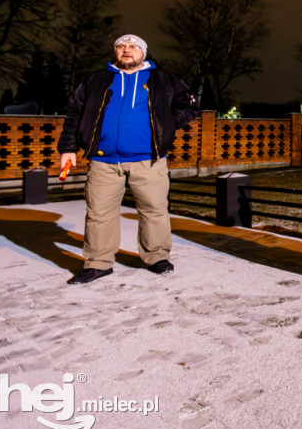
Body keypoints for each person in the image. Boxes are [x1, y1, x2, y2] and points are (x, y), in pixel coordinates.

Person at [58, 34, 200, 285]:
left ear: (143, 53)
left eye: (133, 47)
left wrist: (170, 122)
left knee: (154, 211)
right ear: (115, 52)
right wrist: (68, 147)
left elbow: (190, 104)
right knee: (99, 213)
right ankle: (98, 263)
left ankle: (156, 257)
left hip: (149, 161)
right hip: (103, 161)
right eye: (121, 46)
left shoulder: (163, 79)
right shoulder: (95, 79)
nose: (127, 50)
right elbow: (74, 113)